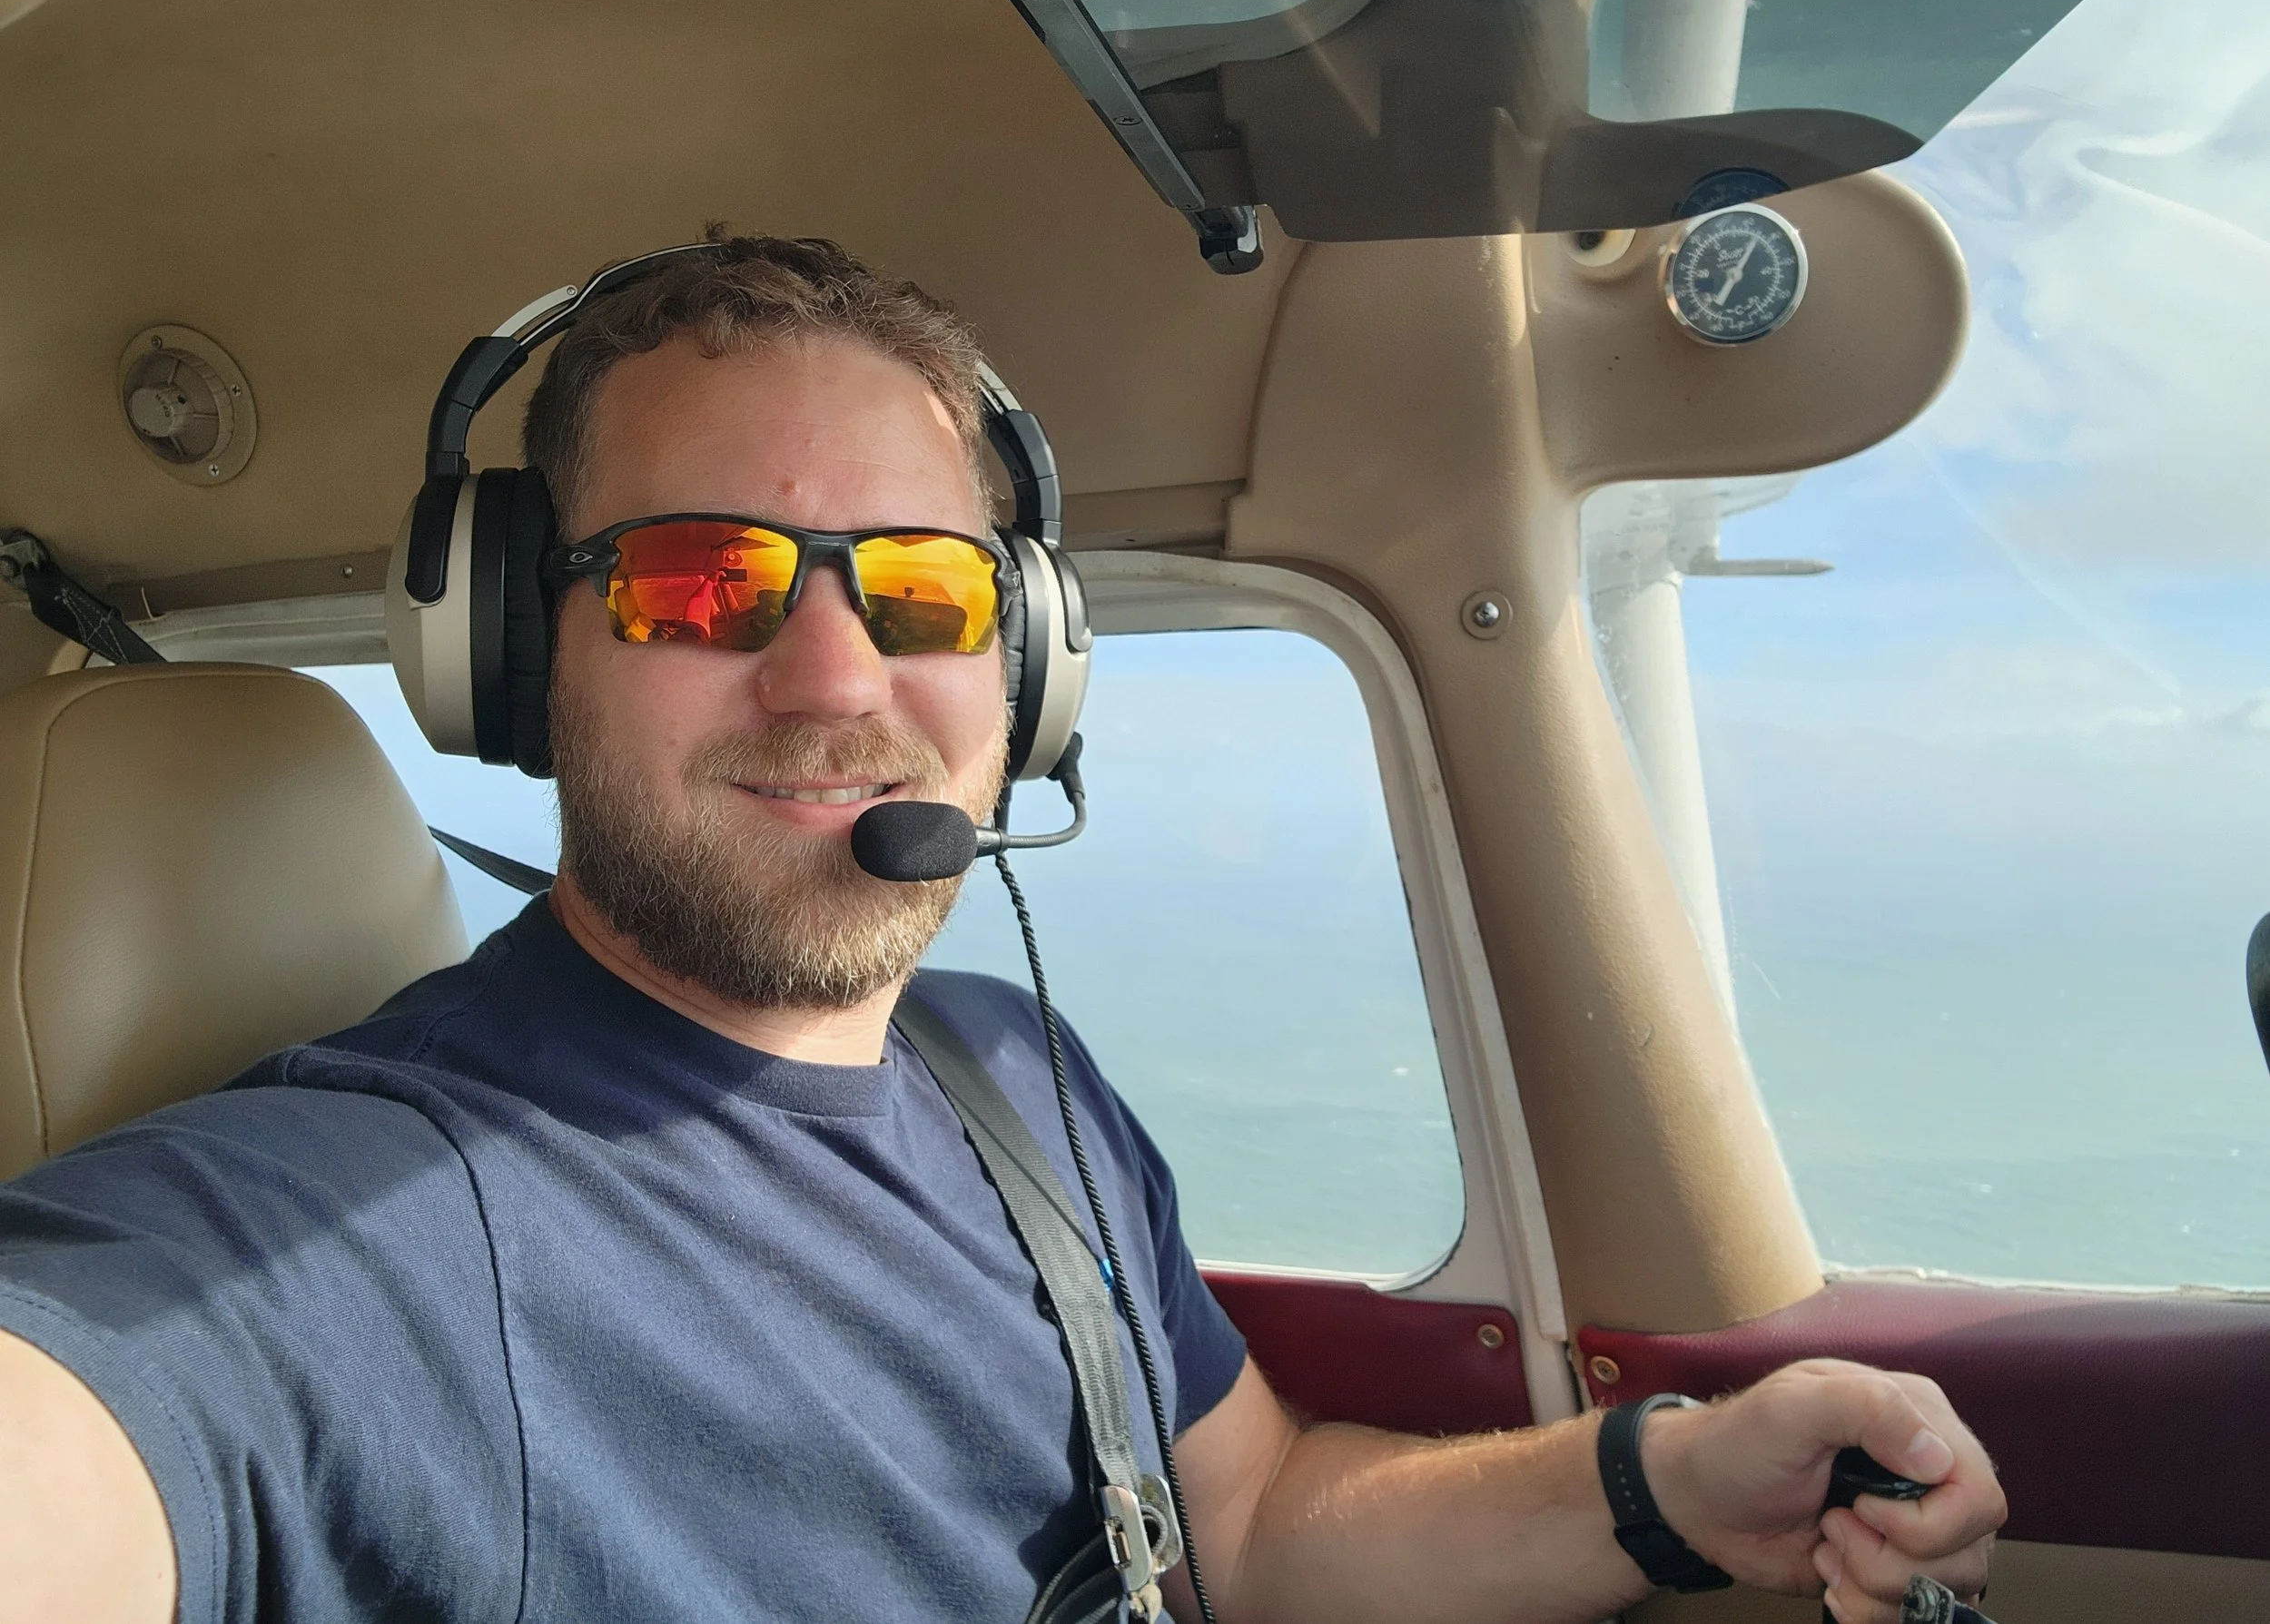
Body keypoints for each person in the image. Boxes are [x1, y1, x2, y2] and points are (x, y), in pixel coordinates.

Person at [0, 234, 2003, 1624]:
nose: (824, 669)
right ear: (519, 656)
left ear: (1026, 659)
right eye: (700, 585)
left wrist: (1655, 1484)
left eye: (925, 593)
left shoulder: (1006, 1071)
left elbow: (1245, 1525)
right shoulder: (350, 1229)